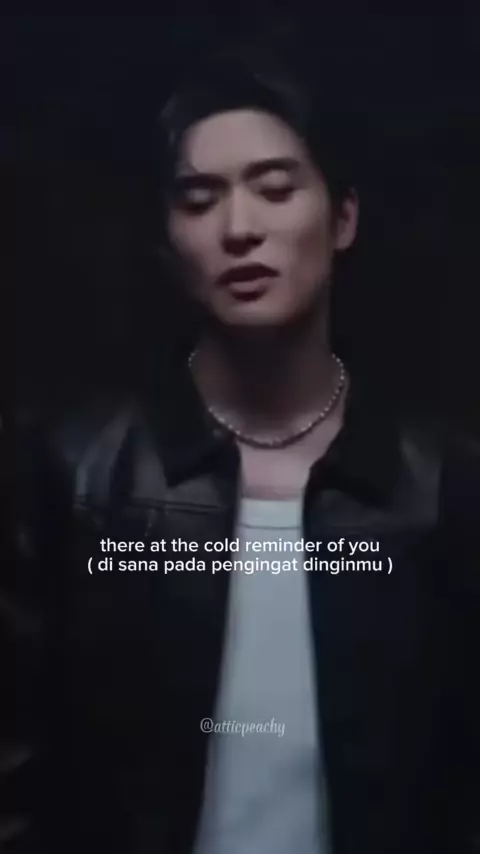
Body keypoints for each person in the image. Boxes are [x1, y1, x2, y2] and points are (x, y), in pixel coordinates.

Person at [6, 43, 479, 854]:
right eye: (199, 199)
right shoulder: (77, 471)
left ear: (342, 219)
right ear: (167, 244)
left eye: (275, 188)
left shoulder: (444, 482)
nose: (240, 229)